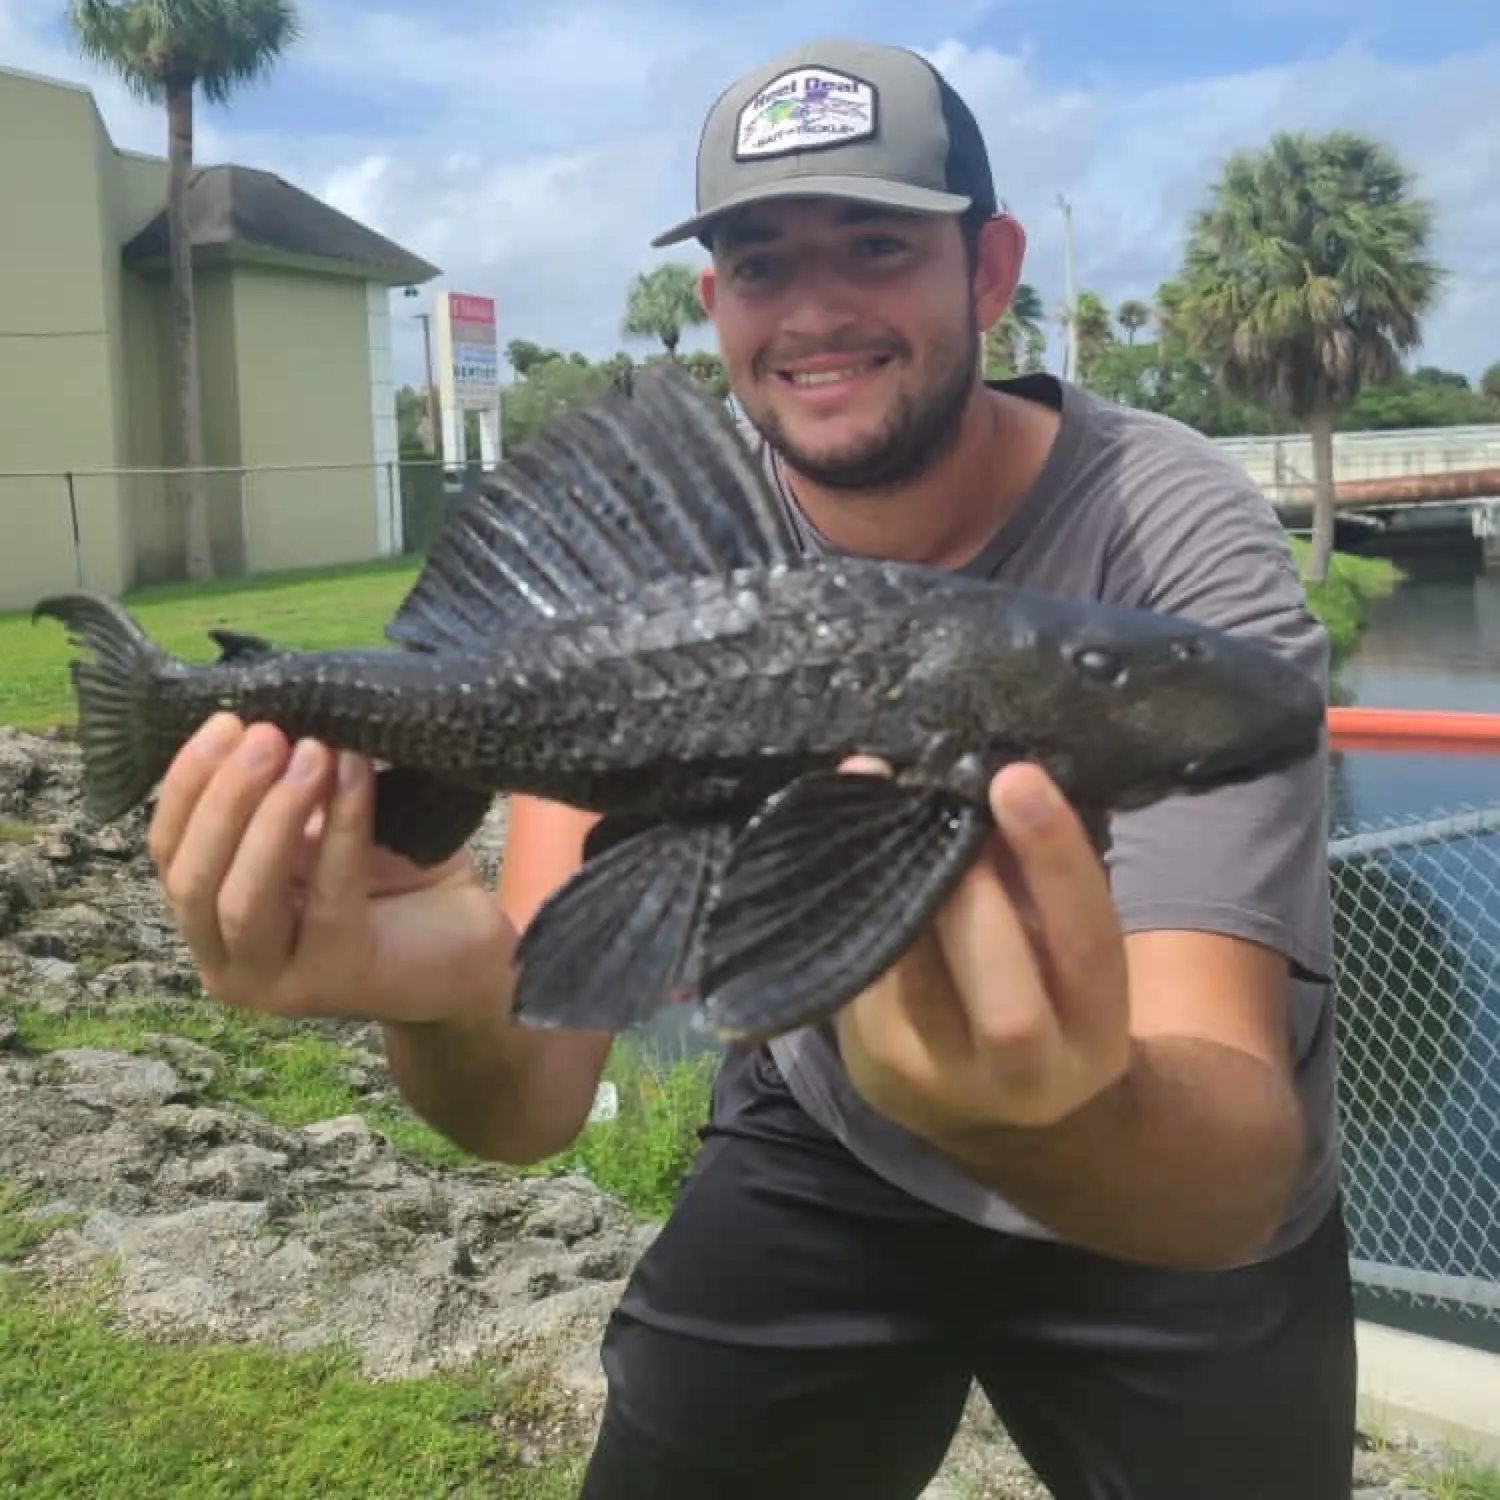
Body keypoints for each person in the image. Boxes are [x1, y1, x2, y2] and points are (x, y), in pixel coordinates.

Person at [145, 36, 1356, 1500]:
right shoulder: (664, 570)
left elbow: (1227, 1170)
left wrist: (1016, 1107)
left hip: (1156, 1178)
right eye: (764, 263)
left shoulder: (1171, 542)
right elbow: (529, 1101)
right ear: (715, 306)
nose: (818, 307)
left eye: (875, 245)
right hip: (826, 1138)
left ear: (987, 273)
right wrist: (449, 986)